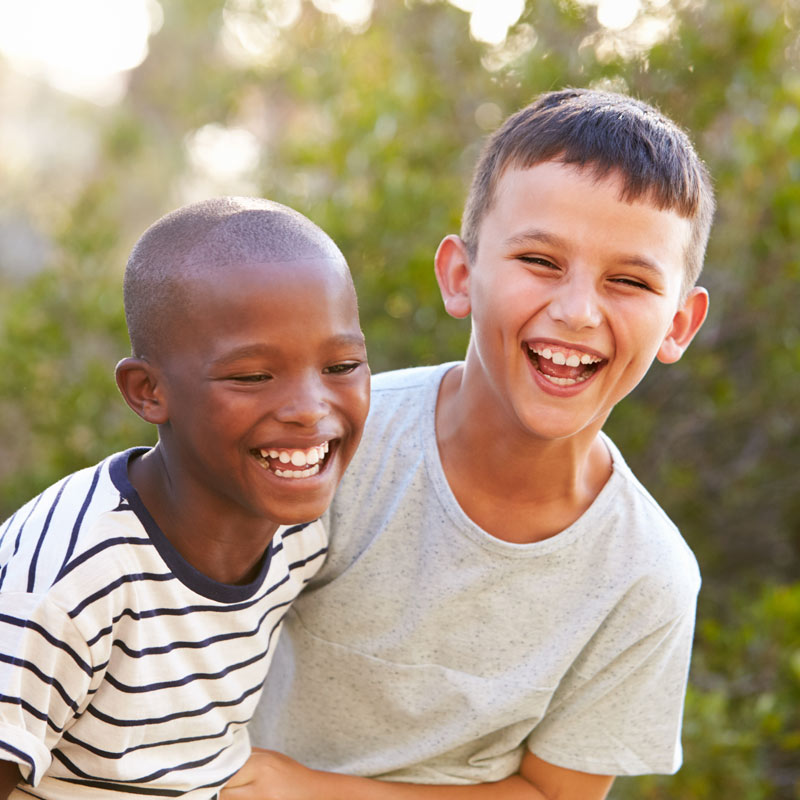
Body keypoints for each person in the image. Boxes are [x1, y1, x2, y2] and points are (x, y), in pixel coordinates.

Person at [226, 88, 715, 800]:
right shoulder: (335, 445)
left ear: (678, 324)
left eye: (630, 280)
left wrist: (301, 790)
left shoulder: (647, 576)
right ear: (461, 275)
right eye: (541, 261)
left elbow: (552, 795)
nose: (577, 311)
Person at [0, 197, 370, 799]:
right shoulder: (70, 584)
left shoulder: (301, 526)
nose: (309, 408)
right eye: (252, 376)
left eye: (343, 364)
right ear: (148, 391)